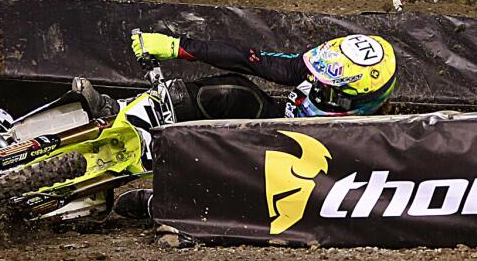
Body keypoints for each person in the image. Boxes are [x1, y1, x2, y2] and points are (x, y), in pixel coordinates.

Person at [112, 31, 398, 219]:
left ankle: (171, 203)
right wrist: (180, 46)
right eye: (316, 81)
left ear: (364, 103)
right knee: (234, 91)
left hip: (286, 172)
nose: (316, 91)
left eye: (330, 93)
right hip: (273, 132)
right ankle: (118, 112)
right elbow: (254, 61)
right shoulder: (315, 72)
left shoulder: (368, 140)